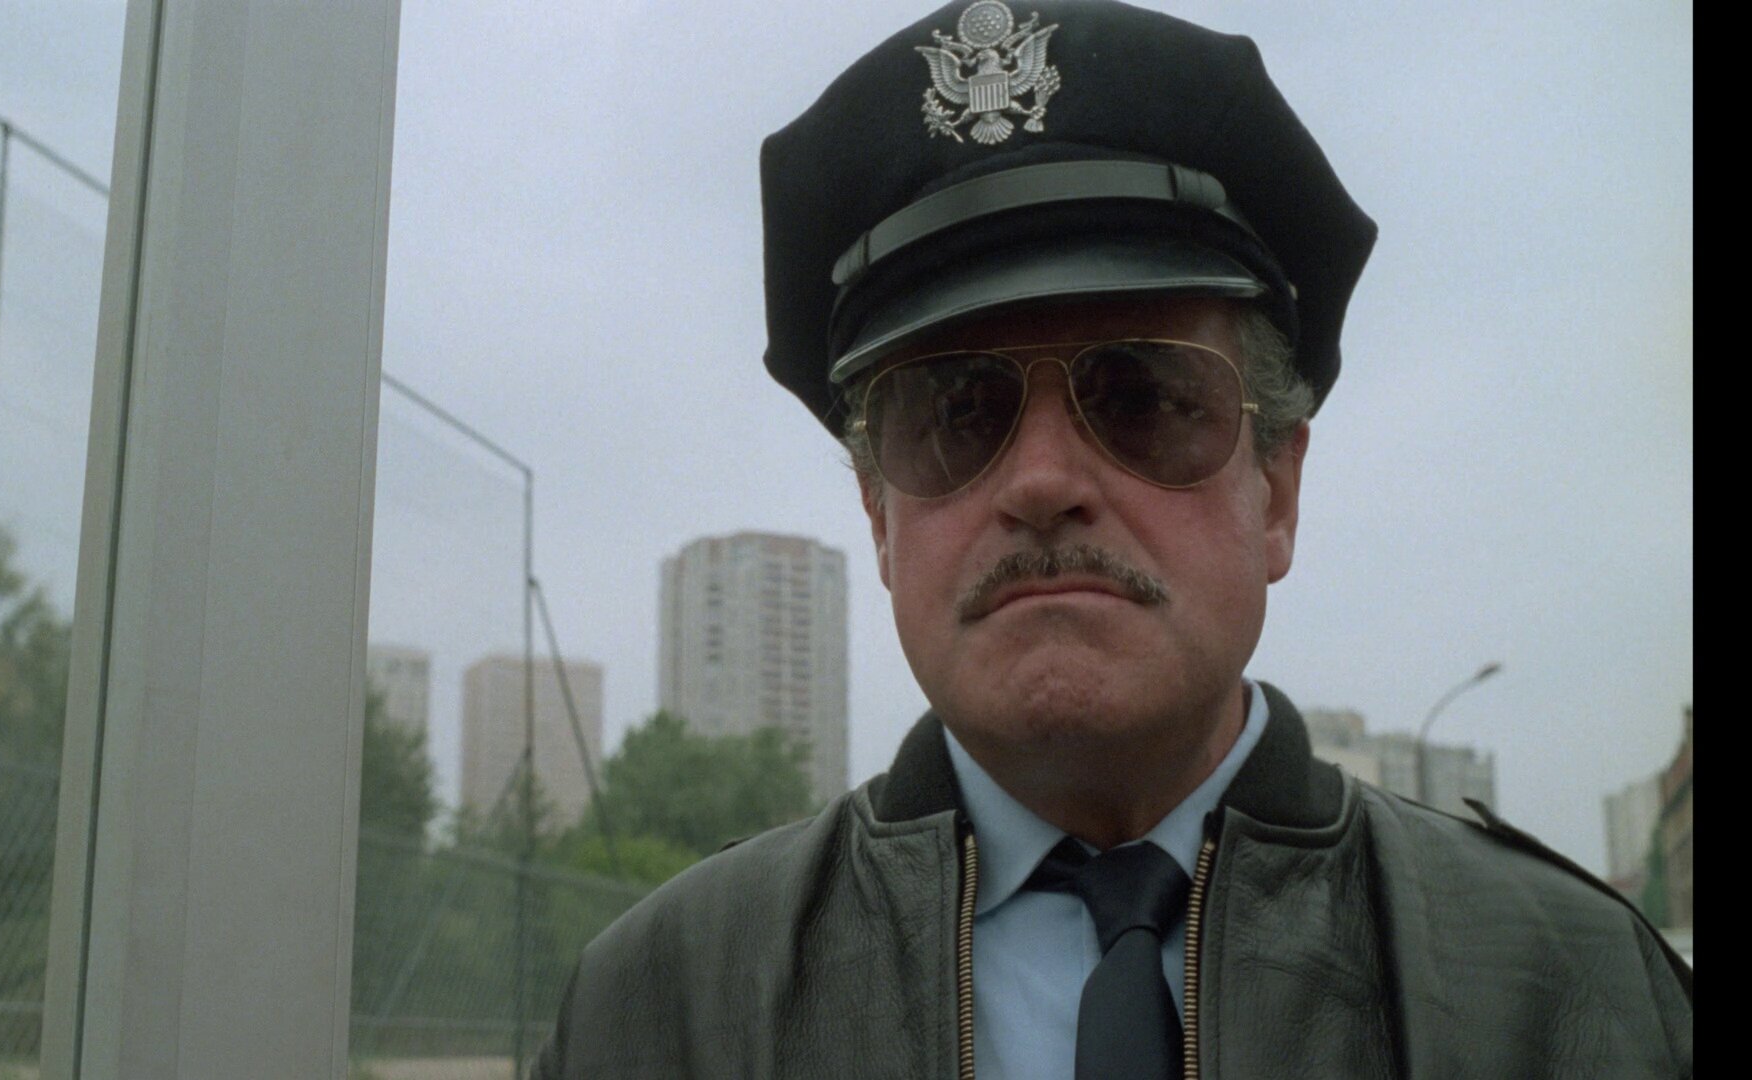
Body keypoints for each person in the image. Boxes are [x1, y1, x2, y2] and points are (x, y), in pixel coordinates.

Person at [533, 1, 1694, 1076]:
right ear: (880, 518)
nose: (1042, 481)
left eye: (1141, 396)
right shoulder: (661, 1012)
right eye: (956, 414)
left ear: (1276, 490)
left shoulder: (1575, 996)